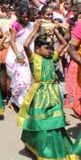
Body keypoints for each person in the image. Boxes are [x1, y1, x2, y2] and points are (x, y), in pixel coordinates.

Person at [18, 19, 81, 159]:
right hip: (40, 94)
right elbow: (26, 45)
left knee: (55, 122)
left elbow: (65, 43)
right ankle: (39, 147)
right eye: (46, 47)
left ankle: (55, 146)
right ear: (38, 49)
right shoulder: (34, 58)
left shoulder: (52, 57)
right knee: (41, 122)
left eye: (51, 47)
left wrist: (57, 32)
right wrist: (35, 30)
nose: (50, 50)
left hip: (53, 92)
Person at [5, 6, 34, 109]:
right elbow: (12, 41)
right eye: (23, 17)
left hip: (28, 53)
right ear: (19, 16)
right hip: (16, 53)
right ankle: (11, 99)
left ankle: (23, 101)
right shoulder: (15, 25)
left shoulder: (32, 25)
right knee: (14, 78)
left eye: (27, 17)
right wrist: (18, 54)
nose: (25, 19)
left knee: (27, 79)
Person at [0, 0, 17, 102]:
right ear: (0, 5)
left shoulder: (14, 18)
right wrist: (1, 35)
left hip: (10, 46)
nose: (8, 5)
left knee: (9, 71)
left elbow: (15, 32)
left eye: (9, 3)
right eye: (5, 4)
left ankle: (8, 95)